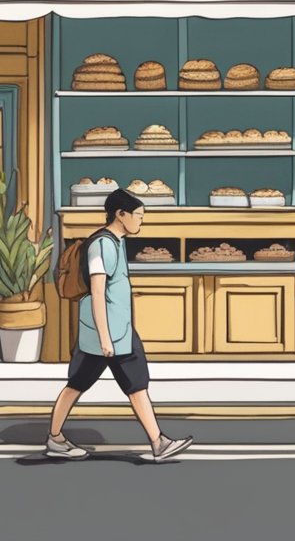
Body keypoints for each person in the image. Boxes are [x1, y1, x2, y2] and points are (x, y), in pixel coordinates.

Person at [46, 189, 194, 463]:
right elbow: (98, 292)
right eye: (137, 215)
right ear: (120, 214)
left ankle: (158, 442)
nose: (141, 221)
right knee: (77, 384)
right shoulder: (100, 245)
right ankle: (55, 438)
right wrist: (104, 338)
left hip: (120, 331)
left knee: (136, 384)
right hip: (104, 334)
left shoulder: (117, 241)